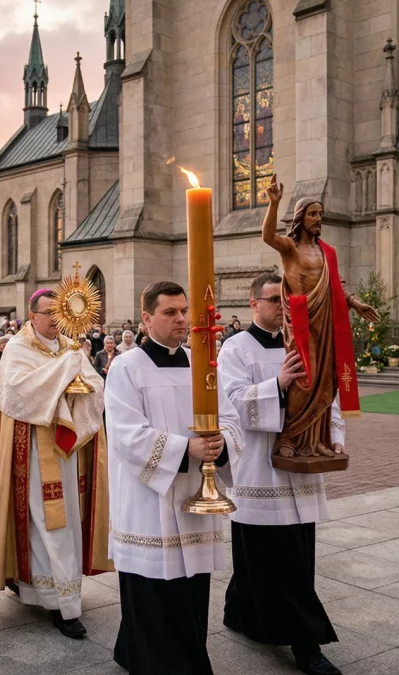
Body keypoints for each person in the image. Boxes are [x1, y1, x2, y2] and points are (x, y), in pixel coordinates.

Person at [104, 282, 242, 674]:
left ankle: (149, 655)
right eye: (170, 312)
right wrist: (187, 450)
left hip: (195, 500)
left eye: (184, 311)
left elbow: (230, 419)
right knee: (151, 595)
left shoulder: (203, 364)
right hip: (147, 505)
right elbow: (127, 435)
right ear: (147, 318)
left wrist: (221, 443)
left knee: (190, 594)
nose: (181, 319)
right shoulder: (126, 367)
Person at [220, 272, 344, 675]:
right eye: (273, 299)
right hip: (259, 469)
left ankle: (242, 612)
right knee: (263, 553)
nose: (281, 306)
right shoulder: (235, 349)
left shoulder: (305, 341)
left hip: (301, 465)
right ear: (253, 304)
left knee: (294, 555)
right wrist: (278, 383)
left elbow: (326, 391)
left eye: (285, 299)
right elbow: (233, 405)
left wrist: (335, 435)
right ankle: (307, 645)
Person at [0, 289, 110, 640]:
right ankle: (62, 606)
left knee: (65, 524)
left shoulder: (69, 345)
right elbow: (16, 393)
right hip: (32, 453)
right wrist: (67, 369)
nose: (54, 319)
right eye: (47, 313)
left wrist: (82, 383)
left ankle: (47, 589)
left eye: (58, 312)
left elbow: (95, 385)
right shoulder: (18, 348)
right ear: (31, 316)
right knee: (46, 524)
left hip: (69, 451)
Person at [261, 177, 377, 458]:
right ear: (301, 217)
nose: (318, 219)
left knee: (328, 380)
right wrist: (274, 204)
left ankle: (317, 440)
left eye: (320, 214)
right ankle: (289, 438)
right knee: (304, 378)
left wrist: (356, 303)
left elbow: (337, 283)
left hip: (327, 319)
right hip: (302, 319)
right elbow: (267, 237)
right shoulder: (290, 247)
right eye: (313, 214)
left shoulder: (327, 252)